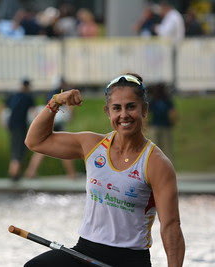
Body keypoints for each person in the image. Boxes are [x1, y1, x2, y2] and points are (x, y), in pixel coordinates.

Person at [24, 73, 185, 266]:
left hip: (129, 259)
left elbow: (171, 227)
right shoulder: (92, 145)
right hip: (85, 250)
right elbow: (35, 141)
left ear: (144, 109)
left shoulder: (157, 164)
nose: (124, 115)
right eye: (117, 108)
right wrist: (55, 101)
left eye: (131, 107)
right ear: (108, 112)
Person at [25, 78, 76, 179]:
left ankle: (30, 172)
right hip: (57, 125)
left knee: (41, 150)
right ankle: (72, 174)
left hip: (49, 124)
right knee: (65, 151)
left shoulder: (50, 94)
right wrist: (71, 115)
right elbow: (69, 108)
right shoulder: (61, 94)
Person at [0, 78, 35, 181]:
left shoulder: (13, 95)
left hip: (12, 125)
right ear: (28, 86)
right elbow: (33, 112)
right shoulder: (28, 97)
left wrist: (2, 121)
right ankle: (14, 174)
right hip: (21, 126)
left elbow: (1, 106)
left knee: (14, 147)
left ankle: (13, 172)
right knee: (19, 150)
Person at [148, 83, 178, 162]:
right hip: (166, 126)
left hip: (154, 126)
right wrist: (172, 123)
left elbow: (147, 114)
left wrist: (146, 124)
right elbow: (173, 113)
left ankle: (154, 166)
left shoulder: (153, 100)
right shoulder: (167, 100)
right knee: (167, 149)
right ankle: (168, 166)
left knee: (154, 149)